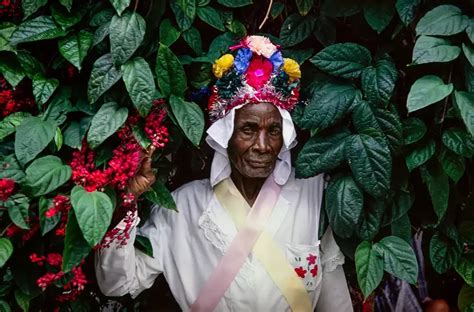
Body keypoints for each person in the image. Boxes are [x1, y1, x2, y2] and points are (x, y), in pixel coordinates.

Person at [95, 35, 353, 312]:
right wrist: (125, 203)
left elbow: (333, 291)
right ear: (226, 135)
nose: (263, 146)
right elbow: (117, 284)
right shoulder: (181, 208)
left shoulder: (313, 192)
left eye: (273, 131)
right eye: (248, 130)